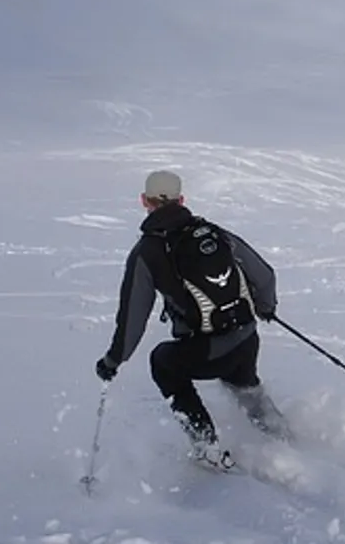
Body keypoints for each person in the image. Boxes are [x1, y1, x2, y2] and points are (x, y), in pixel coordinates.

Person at [95, 169, 288, 470]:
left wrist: (113, 361)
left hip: (207, 350)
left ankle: (206, 445)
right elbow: (264, 275)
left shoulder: (146, 252)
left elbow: (133, 317)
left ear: (144, 201)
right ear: (182, 199)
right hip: (246, 337)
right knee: (243, 381)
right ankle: (284, 438)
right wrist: (266, 308)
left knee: (163, 362)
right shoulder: (213, 231)